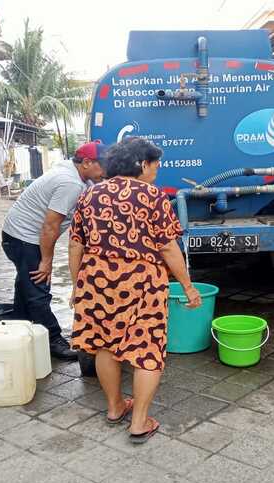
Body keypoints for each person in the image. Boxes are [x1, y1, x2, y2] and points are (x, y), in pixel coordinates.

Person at [69, 137, 201, 444]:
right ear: (142, 164)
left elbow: (76, 244)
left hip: (97, 279)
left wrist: (79, 287)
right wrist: (187, 285)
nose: (157, 169)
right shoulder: (153, 196)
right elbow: (168, 247)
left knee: (104, 344)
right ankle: (139, 421)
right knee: (147, 348)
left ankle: (115, 407)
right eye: (155, 163)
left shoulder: (89, 196)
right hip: (141, 281)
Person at [1, 142, 108, 360]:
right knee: (38, 289)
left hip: (16, 234)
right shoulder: (69, 183)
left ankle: (18, 331)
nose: (105, 171)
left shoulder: (76, 174)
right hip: (25, 238)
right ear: (86, 163)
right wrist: (46, 261)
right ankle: (53, 339)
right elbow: (50, 226)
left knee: (25, 286)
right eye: (103, 166)